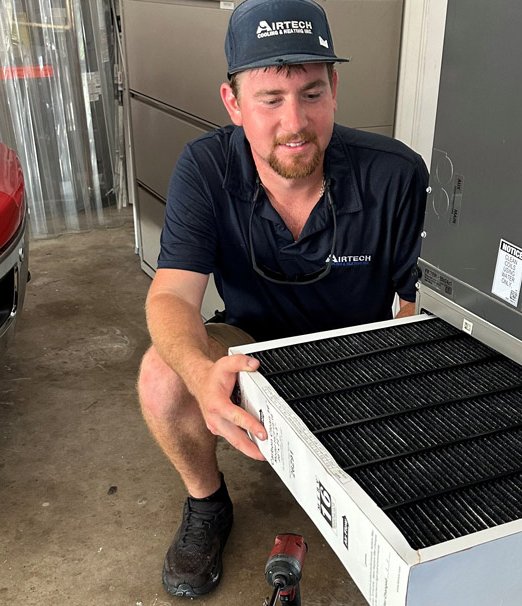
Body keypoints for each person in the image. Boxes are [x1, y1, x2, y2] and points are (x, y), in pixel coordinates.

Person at [137, 0, 429, 597]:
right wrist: (201, 376)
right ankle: (207, 504)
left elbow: (418, 306)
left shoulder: (396, 175)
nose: (294, 122)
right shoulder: (206, 168)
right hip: (252, 352)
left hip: (362, 356)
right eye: (270, 99)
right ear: (233, 102)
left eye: (311, 94)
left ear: (334, 90)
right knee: (161, 376)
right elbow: (171, 296)